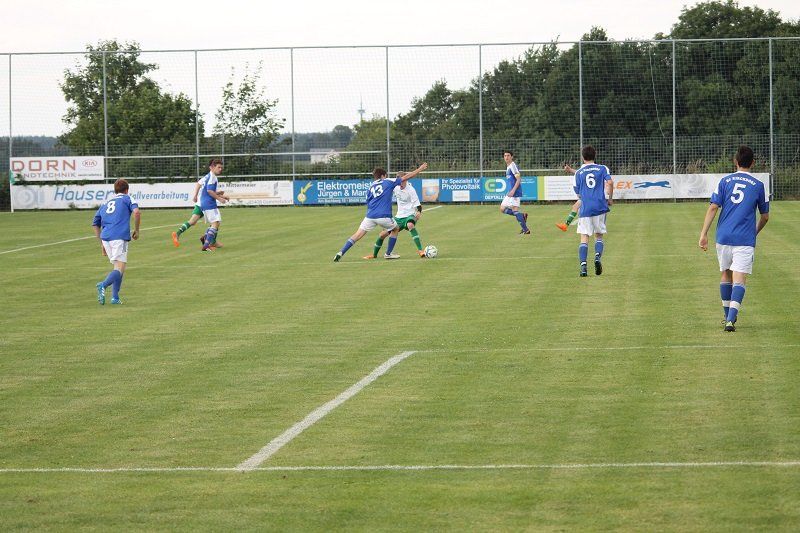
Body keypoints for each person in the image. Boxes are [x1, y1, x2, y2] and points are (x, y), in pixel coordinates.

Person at [698, 145, 769, 332]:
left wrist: (703, 234)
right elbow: (765, 216)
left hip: (723, 236)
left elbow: (713, 207)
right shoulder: (759, 185)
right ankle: (730, 320)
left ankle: (727, 315)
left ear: (735, 162)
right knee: (739, 278)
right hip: (744, 238)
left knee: (725, 273)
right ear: (753, 163)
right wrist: (754, 231)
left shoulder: (724, 181)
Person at [333, 162, 428, 262]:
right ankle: (388, 254)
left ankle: (340, 252)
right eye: (385, 176)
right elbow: (407, 177)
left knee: (357, 235)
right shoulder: (388, 181)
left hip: (370, 216)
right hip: (383, 216)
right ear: (383, 176)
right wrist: (420, 169)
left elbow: (368, 201)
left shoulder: (371, 186)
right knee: (395, 229)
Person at [92, 179, 140, 305]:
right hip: (119, 237)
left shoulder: (106, 203)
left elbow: (95, 224)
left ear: (115, 190)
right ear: (127, 190)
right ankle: (103, 285)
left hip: (106, 238)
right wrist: (137, 230)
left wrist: (101, 243)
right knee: (119, 268)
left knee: (118, 268)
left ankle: (115, 297)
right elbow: (136, 212)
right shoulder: (127, 198)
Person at [572, 146, 613, 277]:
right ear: (595, 156)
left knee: (584, 237)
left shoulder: (578, 173)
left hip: (586, 208)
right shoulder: (602, 168)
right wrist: (610, 198)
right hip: (600, 206)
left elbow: (578, 193)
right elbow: (610, 182)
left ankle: (583, 267)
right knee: (599, 235)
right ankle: (597, 257)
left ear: (582, 157)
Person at [364, 174, 426, 259]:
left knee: (410, 225)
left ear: (406, 180)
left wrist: (419, 212)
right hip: (398, 217)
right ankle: (374, 255)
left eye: (402, 181)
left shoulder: (411, 190)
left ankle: (420, 251)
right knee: (382, 234)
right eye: (399, 181)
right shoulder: (395, 187)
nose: (400, 183)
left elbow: (418, 204)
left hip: (410, 215)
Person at [170, 177, 223, 249]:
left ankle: (177, 233)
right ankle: (212, 242)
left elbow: (204, 189)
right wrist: (220, 196)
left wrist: (220, 195)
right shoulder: (211, 179)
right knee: (216, 222)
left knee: (192, 221)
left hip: (200, 204)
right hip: (207, 205)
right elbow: (210, 193)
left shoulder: (206, 178)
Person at [197, 158, 228, 252]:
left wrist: (221, 195)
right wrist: (220, 199)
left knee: (216, 223)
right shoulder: (212, 177)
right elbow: (210, 191)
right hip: (209, 203)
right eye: (218, 167)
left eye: (221, 167)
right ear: (213, 167)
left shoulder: (210, 176)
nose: (220, 169)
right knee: (215, 223)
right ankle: (206, 245)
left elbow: (209, 191)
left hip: (205, 202)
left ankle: (205, 238)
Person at [500, 151, 530, 235]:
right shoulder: (508, 166)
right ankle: (522, 216)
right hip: (510, 192)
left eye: (508, 155)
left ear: (511, 157)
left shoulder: (513, 166)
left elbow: (518, 179)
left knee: (514, 210)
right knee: (502, 208)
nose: (506, 157)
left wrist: (513, 190)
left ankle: (526, 230)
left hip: (515, 192)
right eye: (505, 155)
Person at [556, 163, 581, 231]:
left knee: (578, 208)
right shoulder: (597, 169)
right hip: (590, 195)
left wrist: (570, 170)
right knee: (576, 207)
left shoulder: (586, 169)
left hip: (590, 195)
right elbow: (580, 172)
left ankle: (566, 225)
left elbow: (580, 172)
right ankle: (565, 225)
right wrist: (570, 169)